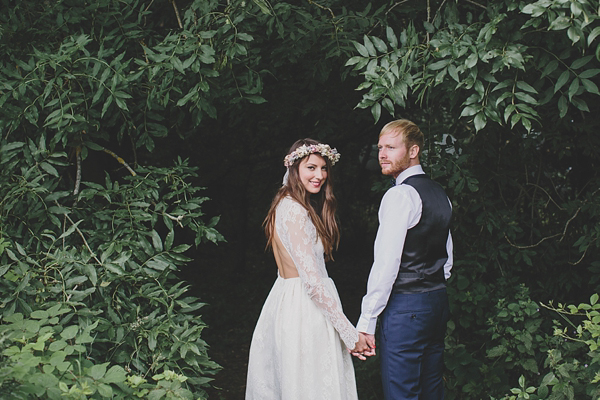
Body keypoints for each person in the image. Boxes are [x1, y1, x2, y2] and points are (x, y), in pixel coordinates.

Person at [246, 138, 371, 400]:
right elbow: (313, 284)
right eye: (311, 168)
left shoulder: (284, 204)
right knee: (312, 386)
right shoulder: (294, 210)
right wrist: (350, 334)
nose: (320, 175)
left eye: (323, 168)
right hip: (305, 309)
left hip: (286, 300)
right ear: (295, 169)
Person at [355, 119, 453, 399]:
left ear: (413, 151)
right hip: (436, 302)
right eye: (380, 148)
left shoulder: (399, 195)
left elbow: (386, 265)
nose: (382, 155)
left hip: (406, 307)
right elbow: (447, 259)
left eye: (391, 147)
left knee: (402, 393)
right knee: (432, 389)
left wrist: (367, 320)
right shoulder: (439, 193)